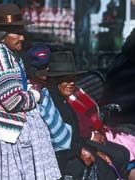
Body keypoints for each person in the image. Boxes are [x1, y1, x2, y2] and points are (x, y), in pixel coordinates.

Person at [0, 3, 61, 180]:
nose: (22, 37)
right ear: (2, 35)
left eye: (22, 32)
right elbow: (12, 101)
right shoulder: (3, 57)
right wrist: (34, 94)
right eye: (17, 33)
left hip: (6, 134)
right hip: (14, 135)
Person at [27, 48, 130, 179]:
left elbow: (74, 135)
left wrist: (93, 148)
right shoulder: (50, 101)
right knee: (104, 169)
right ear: (53, 80)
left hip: (74, 147)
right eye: (65, 79)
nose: (71, 83)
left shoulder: (62, 100)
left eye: (73, 78)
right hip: (60, 158)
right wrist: (81, 150)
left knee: (120, 154)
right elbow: (55, 140)